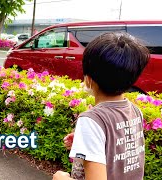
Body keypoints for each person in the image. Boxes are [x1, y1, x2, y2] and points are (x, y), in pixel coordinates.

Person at [53, 32, 150, 180]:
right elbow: (119, 151)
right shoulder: (135, 111)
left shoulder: (92, 120)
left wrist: (61, 178)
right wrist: (86, 140)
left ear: (88, 79)